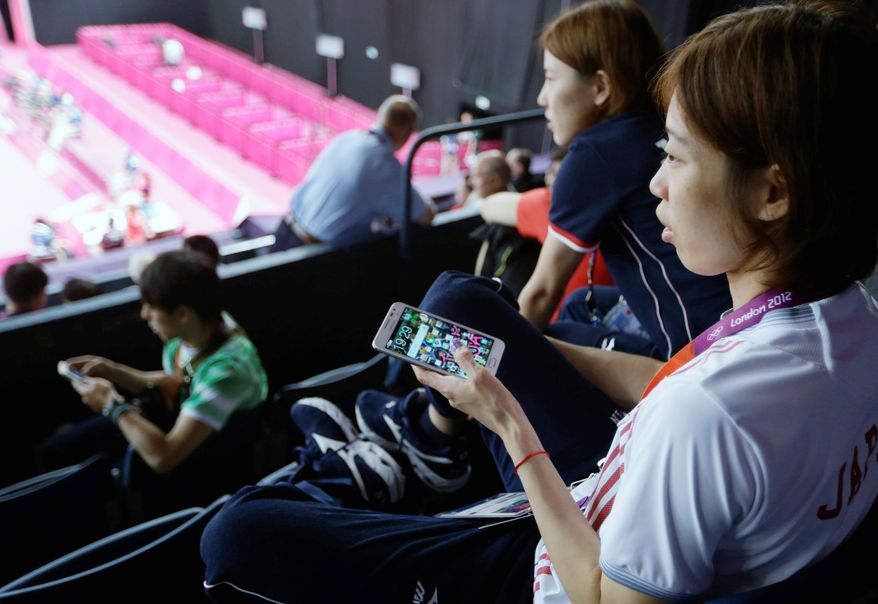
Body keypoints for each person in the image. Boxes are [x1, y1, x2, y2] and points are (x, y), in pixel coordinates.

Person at [201, 2, 878, 601]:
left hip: (558, 561)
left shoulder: (704, 415)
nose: (657, 183)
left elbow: (602, 596)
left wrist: (507, 425)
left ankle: (414, 450)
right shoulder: (850, 320)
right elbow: (670, 382)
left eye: (675, 157)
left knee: (235, 534)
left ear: (773, 193)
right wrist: (527, 354)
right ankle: (417, 448)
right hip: (613, 492)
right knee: (464, 307)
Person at [514, 0, 730, 364]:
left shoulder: (595, 153)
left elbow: (541, 293)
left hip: (694, 353)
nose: (541, 98)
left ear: (600, 87)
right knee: (582, 304)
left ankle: (437, 420)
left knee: (537, 343)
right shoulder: (659, 124)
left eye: (551, 78)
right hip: (734, 320)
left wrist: (482, 367)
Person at [39, 251, 268, 476]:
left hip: (198, 464)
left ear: (182, 314)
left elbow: (163, 457)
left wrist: (112, 404)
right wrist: (111, 370)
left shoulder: (227, 373)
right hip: (173, 421)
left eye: (150, 306)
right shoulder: (202, 328)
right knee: (54, 449)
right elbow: (178, 381)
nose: (144, 314)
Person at [271, 95, 436, 251]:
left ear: (380, 117)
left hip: (285, 229)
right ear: (409, 133)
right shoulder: (386, 165)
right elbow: (425, 216)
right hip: (308, 253)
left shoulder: (348, 137)